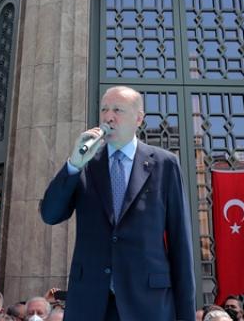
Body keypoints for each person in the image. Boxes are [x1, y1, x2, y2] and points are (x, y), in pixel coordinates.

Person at [39, 85, 195, 321]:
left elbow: (180, 244)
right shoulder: (86, 163)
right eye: (104, 109)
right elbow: (50, 214)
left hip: (148, 306)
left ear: (139, 119)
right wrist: (73, 165)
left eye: (118, 110)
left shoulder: (165, 164)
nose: (108, 116)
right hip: (90, 305)